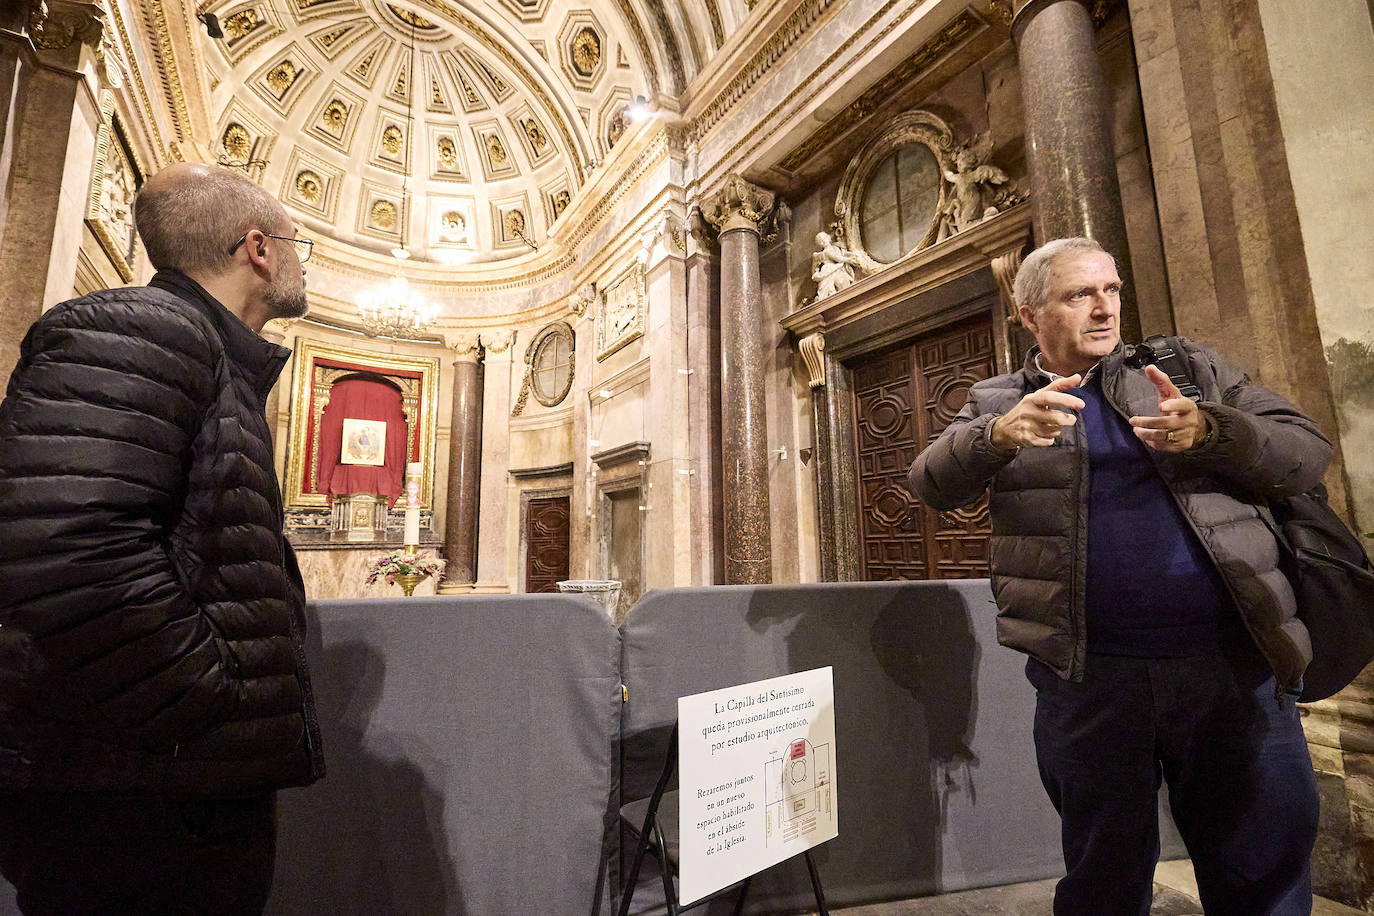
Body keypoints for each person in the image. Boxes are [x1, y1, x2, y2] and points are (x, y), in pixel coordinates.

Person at [907, 237, 1326, 915]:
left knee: (1264, 870)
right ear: (1029, 315)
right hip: (1090, 681)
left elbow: (1306, 452)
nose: (1105, 309)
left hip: (1233, 666)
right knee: (1104, 877)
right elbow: (930, 483)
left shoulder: (1187, 370)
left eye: (1113, 290)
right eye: (1080, 294)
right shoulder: (998, 398)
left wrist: (1214, 431)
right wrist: (997, 437)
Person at [0, 163, 325, 914]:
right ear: (259, 249)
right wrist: (202, 696)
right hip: (136, 795)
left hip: (168, 782)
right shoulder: (139, 328)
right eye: (295, 241)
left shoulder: (202, 352)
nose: (300, 257)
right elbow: (62, 547)